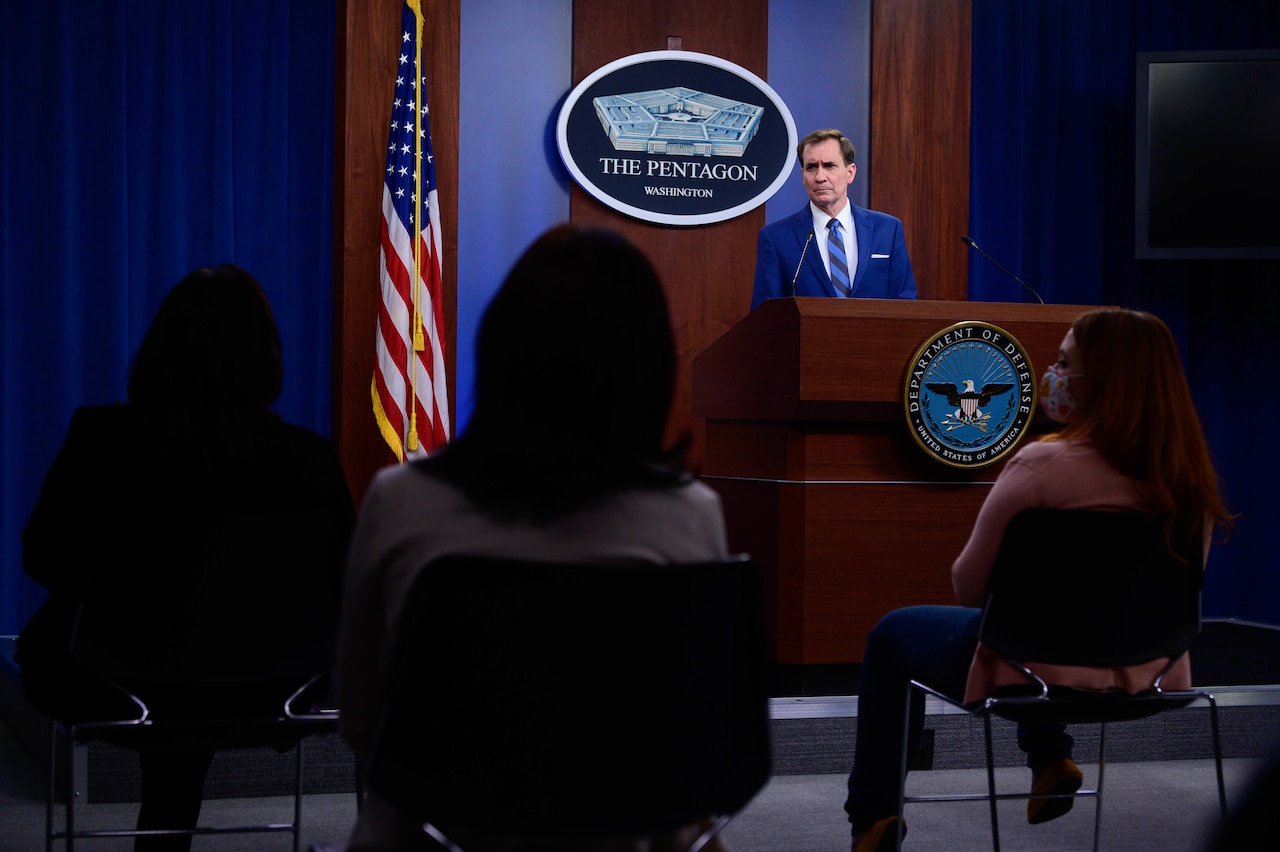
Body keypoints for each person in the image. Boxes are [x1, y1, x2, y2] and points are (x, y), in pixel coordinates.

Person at [338, 224, 730, 851]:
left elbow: (360, 717)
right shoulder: (689, 514)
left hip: (435, 826)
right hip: (629, 823)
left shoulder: (399, 500)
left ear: (499, 348)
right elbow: (702, 733)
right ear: (651, 368)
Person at [842, 308, 1234, 851]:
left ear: (1102, 381)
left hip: (1029, 668)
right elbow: (1175, 596)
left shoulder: (1040, 467)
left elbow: (970, 588)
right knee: (1049, 621)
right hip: (1151, 675)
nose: (1051, 372)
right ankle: (1049, 758)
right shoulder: (1189, 479)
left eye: (1064, 362)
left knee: (893, 635)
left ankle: (874, 817)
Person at [17, 265, 355, 852]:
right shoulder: (308, 460)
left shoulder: (102, 441)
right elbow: (344, 586)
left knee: (169, 663)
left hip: (111, 678)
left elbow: (43, 559)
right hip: (273, 685)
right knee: (196, 662)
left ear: (159, 348)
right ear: (266, 356)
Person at [750, 128, 917, 309]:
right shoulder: (777, 238)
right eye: (811, 167)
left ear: (850, 173)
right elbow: (765, 316)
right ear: (803, 176)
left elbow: (906, 303)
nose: (820, 177)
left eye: (829, 165)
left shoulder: (887, 230)